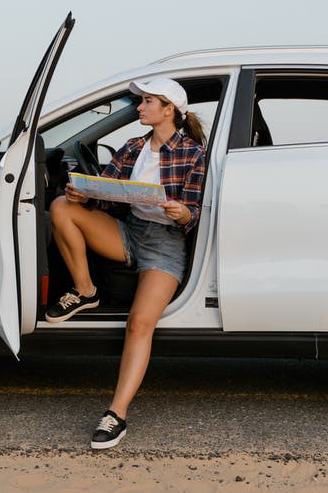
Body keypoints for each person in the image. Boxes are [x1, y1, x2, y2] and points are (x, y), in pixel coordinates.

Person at [46, 77, 207, 450]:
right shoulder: (133, 147)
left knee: (139, 324)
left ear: (169, 109)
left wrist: (182, 212)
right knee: (61, 207)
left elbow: (194, 215)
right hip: (128, 231)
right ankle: (85, 291)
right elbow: (105, 190)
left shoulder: (192, 153)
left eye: (148, 101)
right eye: (142, 101)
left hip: (164, 246)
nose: (140, 107)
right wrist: (82, 192)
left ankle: (116, 414)